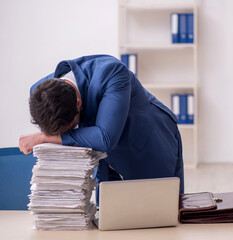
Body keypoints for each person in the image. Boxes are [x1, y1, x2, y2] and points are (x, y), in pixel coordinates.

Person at [19, 54, 184, 195]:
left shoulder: (112, 72)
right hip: (104, 161)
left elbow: (105, 138)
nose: (59, 136)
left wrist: (44, 137)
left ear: (78, 103)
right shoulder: (39, 95)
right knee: (108, 217)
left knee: (158, 214)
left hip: (147, 144)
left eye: (70, 128)